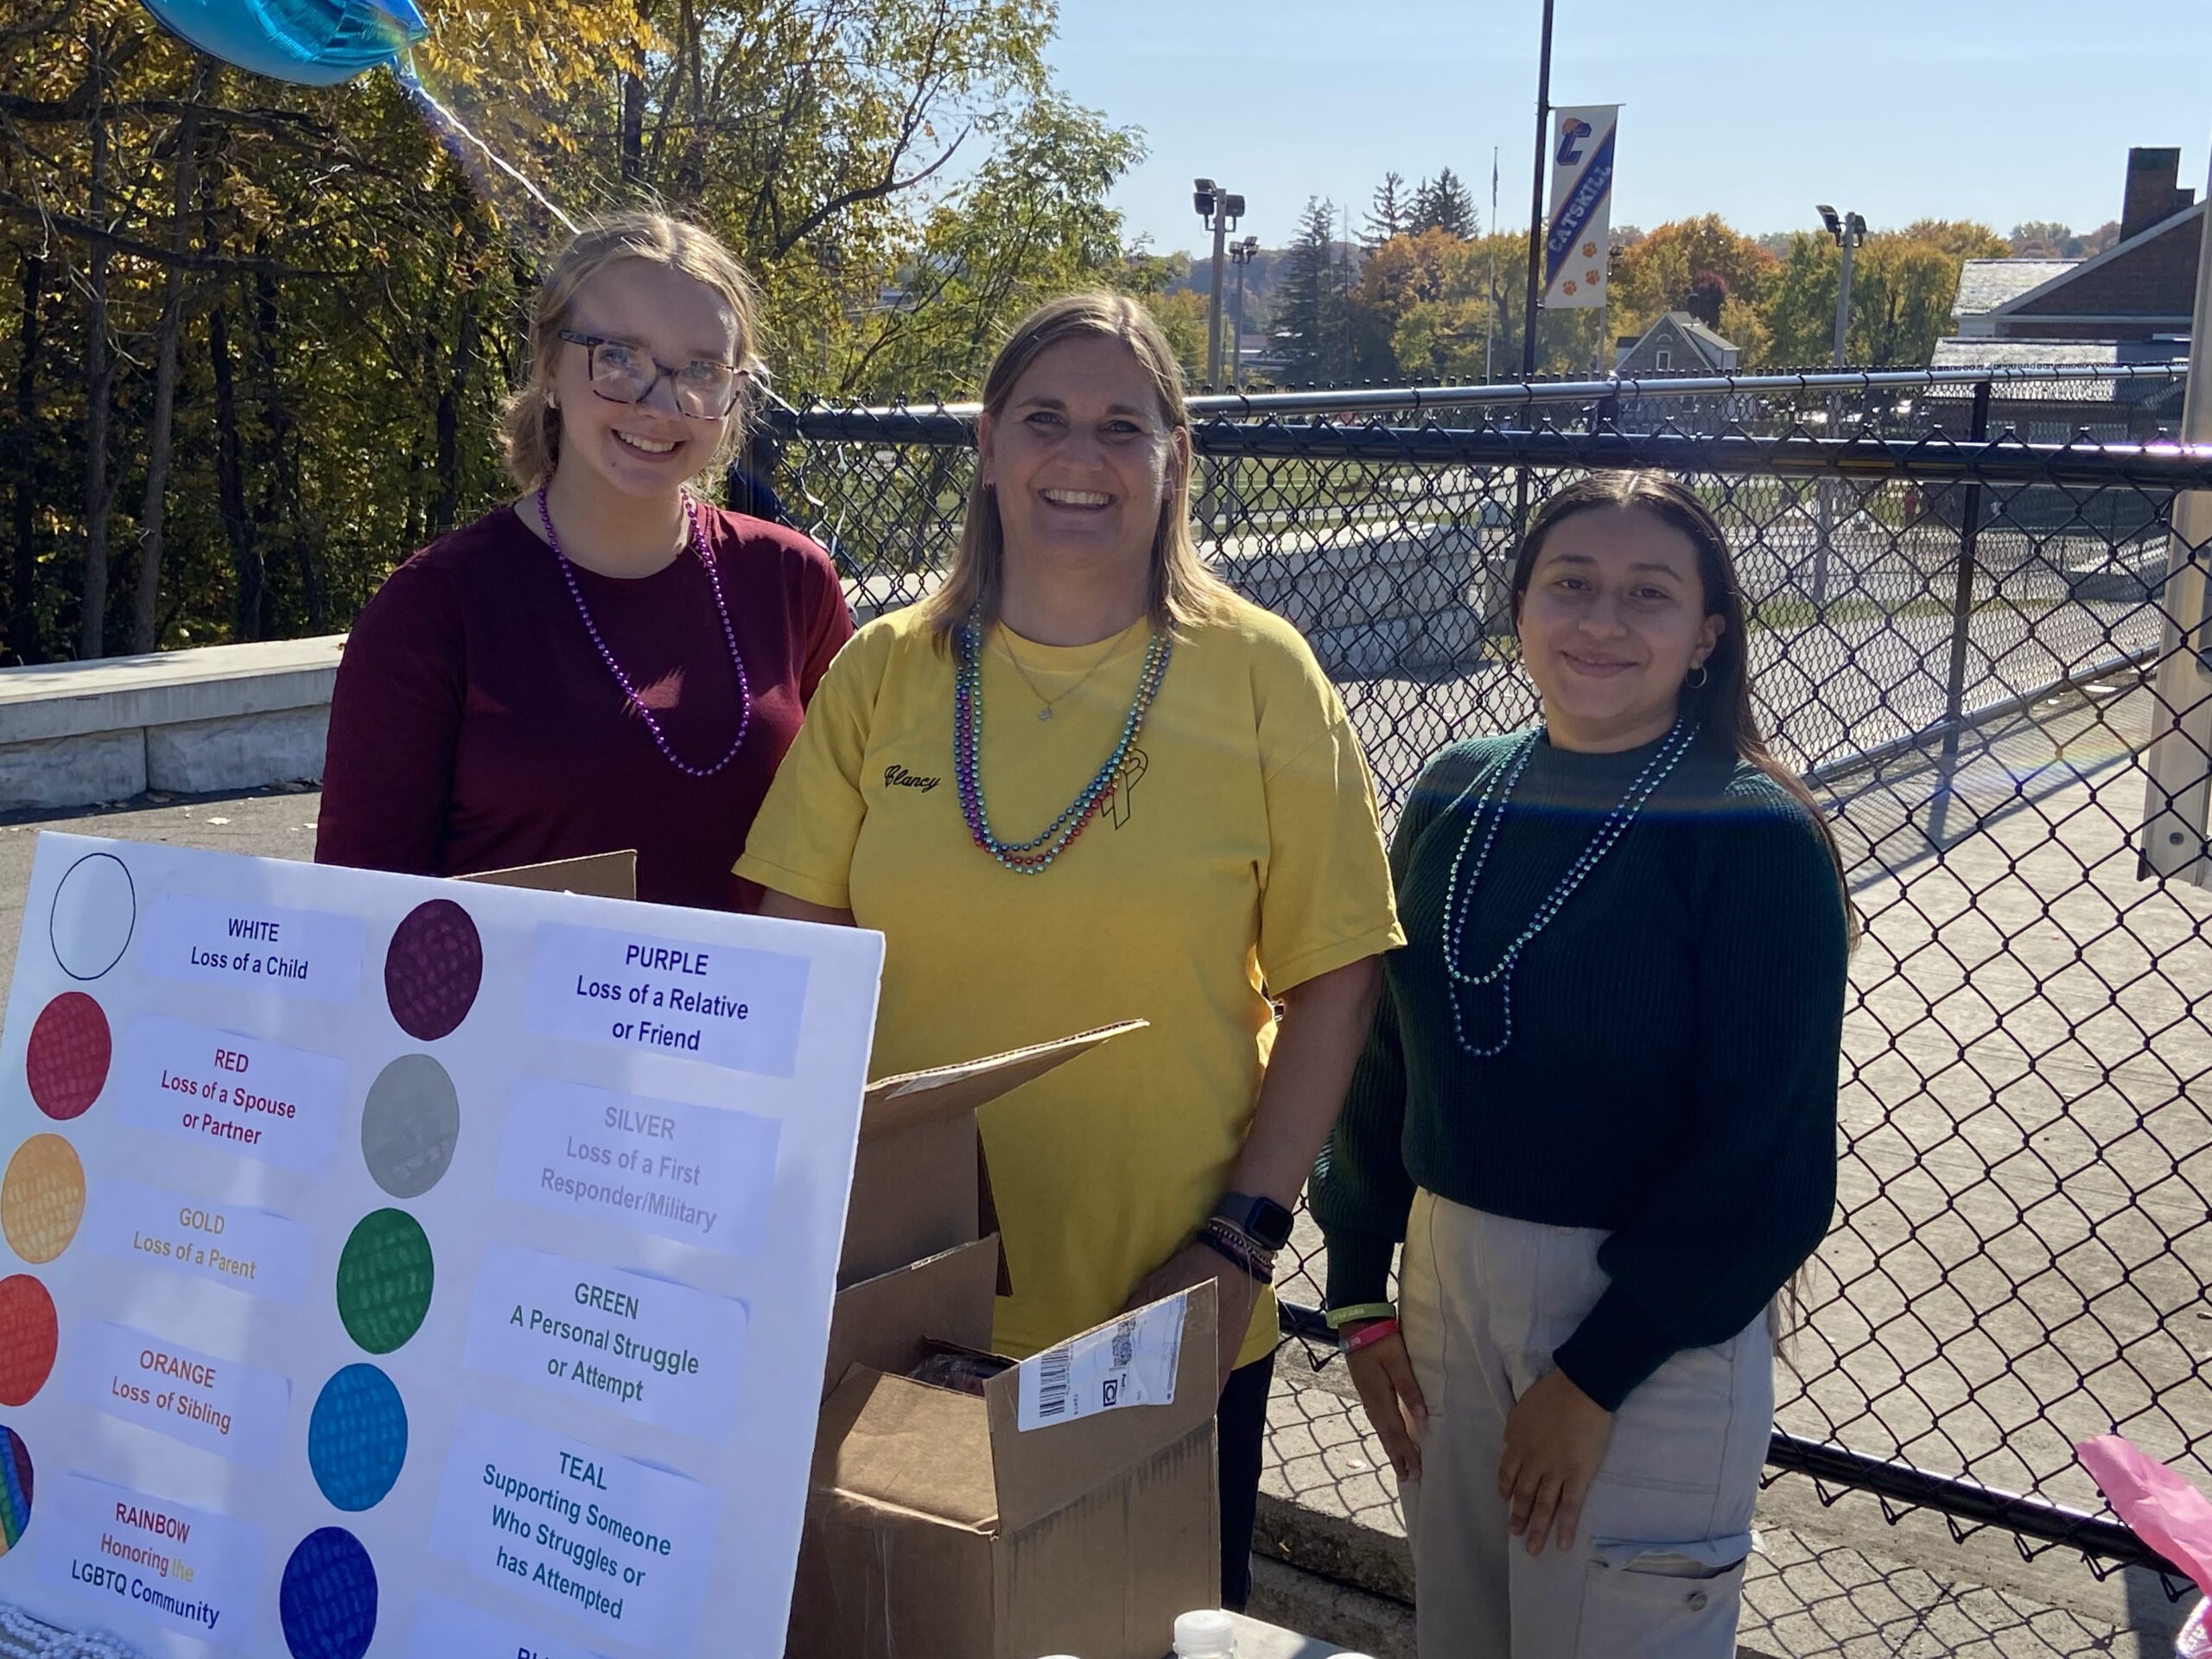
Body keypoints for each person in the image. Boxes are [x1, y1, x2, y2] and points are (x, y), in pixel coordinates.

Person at [736, 291, 1403, 1610]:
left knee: (1137, 1633)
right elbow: (789, 970)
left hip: (1164, 1308)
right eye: (1045, 420)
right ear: (987, 447)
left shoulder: (1265, 675)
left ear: (1174, 458)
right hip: (894, 1306)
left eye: (1122, 426)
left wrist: (1239, 1244)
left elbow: (1337, 980)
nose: (1081, 460)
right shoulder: (884, 673)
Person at [1313, 472, 1850, 1657]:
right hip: (1446, 1276)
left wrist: (1593, 1379)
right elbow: (1387, 1049)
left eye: (1648, 595)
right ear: (1519, 608)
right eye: (1572, 585)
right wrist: (1360, 1278)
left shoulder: (1755, 835)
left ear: (1707, 635)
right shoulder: (1458, 788)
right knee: (1465, 1629)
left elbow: (1762, 1160)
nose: (1603, 622)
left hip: (1649, 1320)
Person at [316, 211, 851, 910]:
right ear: (548, 366)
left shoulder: (792, 582)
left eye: (701, 370)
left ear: (733, 395)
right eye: (619, 358)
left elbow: (856, 835)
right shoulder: (435, 608)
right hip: (512, 1018)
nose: (659, 404)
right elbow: (357, 911)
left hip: (745, 1016)